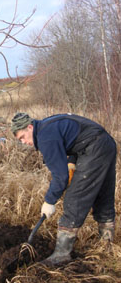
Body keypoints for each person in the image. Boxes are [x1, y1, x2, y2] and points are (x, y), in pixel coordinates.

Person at [11, 112, 117, 266]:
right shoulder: (47, 125)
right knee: (103, 196)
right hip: (106, 144)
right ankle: (106, 246)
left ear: (29, 127)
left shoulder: (45, 137)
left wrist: (49, 201)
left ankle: (61, 254)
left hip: (94, 149)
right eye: (20, 140)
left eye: (23, 137)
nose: (24, 142)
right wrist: (72, 161)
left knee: (74, 199)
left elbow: (61, 177)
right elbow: (81, 133)